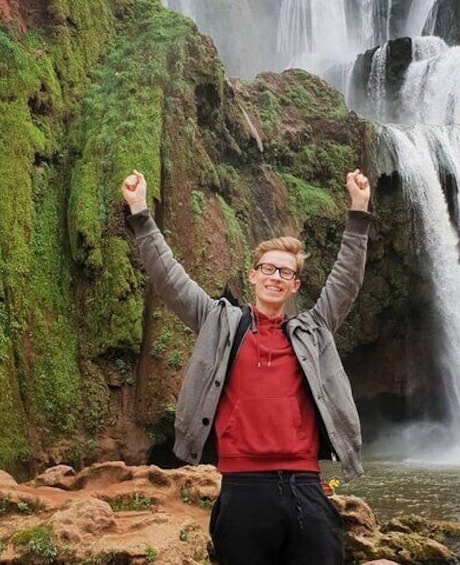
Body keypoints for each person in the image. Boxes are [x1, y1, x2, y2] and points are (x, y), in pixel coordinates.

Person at [121, 167, 372, 565]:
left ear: (295, 286)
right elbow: (169, 277)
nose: (276, 277)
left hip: (305, 485)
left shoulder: (314, 327)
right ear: (253, 275)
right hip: (242, 487)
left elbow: (345, 280)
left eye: (286, 272)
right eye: (268, 269)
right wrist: (139, 211)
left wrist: (359, 212)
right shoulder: (219, 321)